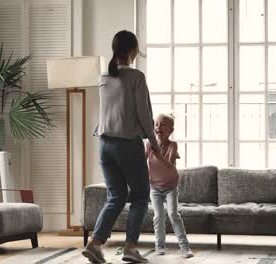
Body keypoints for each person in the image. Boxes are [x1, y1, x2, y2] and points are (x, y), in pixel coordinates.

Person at [81, 30, 159, 264]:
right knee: (140, 195)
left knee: (116, 196)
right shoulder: (136, 77)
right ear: (133, 50)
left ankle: (94, 243)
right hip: (127, 145)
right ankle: (130, 247)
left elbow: (110, 112)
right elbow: (144, 115)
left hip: (104, 145)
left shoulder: (103, 76)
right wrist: (154, 143)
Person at [145, 114, 194, 258]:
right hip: (154, 187)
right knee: (158, 216)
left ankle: (185, 247)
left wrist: (158, 154)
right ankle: (159, 246)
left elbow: (169, 165)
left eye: (163, 125)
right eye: (156, 124)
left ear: (171, 130)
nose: (158, 127)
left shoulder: (173, 145)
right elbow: (141, 161)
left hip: (170, 187)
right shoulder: (149, 144)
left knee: (173, 214)